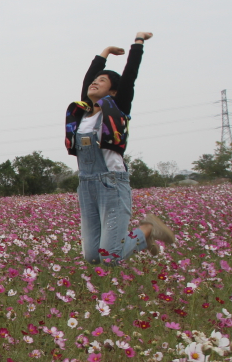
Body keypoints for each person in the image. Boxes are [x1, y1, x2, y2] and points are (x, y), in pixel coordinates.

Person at [64, 32, 174, 264]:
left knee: (110, 258)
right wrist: (104, 52)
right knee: (93, 257)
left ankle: (146, 229)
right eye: (95, 80)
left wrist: (138, 43)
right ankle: (142, 239)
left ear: (113, 92)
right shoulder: (83, 113)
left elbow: (130, 76)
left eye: (102, 81)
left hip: (111, 183)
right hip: (86, 185)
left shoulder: (117, 107)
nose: (95, 82)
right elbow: (88, 80)